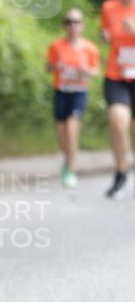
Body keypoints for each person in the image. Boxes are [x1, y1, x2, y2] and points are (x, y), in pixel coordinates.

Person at [45, 10, 99, 188]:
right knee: (61, 135)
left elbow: (95, 71)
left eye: (76, 22)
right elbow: (48, 67)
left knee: (72, 130)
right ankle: (68, 159)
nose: (72, 26)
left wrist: (86, 72)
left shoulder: (90, 48)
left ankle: (71, 170)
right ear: (64, 26)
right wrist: (55, 67)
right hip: (61, 91)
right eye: (68, 22)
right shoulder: (56, 46)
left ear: (81, 26)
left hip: (78, 92)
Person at [100, 0, 135, 199]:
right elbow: (105, 32)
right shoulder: (109, 7)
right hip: (117, 75)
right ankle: (121, 174)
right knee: (117, 122)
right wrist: (103, 35)